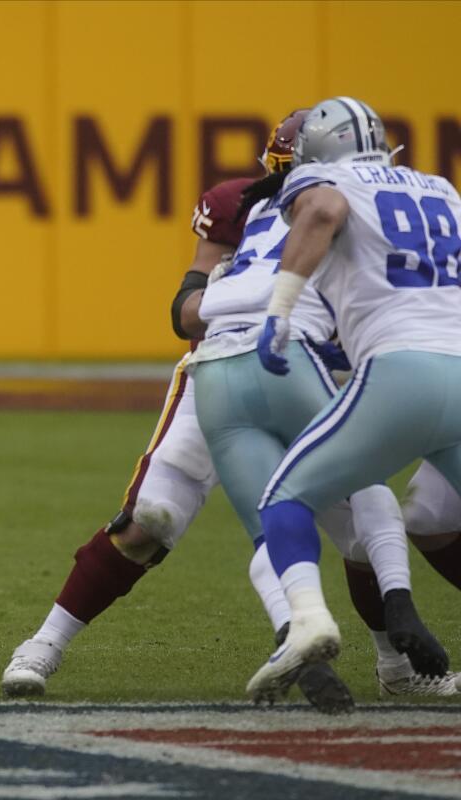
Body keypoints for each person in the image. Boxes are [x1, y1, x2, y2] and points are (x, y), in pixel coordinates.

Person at [3, 113, 355, 708]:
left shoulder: (360, 215)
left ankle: (398, 658)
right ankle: (43, 643)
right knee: (152, 516)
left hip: (315, 376)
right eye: (290, 172)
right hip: (222, 368)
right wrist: (250, 298)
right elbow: (184, 311)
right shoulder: (238, 207)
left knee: (361, 526)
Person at [189, 106, 454, 703]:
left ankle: (301, 625)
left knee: (278, 507)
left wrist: (268, 308)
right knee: (375, 492)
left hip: (229, 363)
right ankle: (396, 610)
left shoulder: (295, 194)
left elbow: (190, 306)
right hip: (427, 361)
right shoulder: (436, 188)